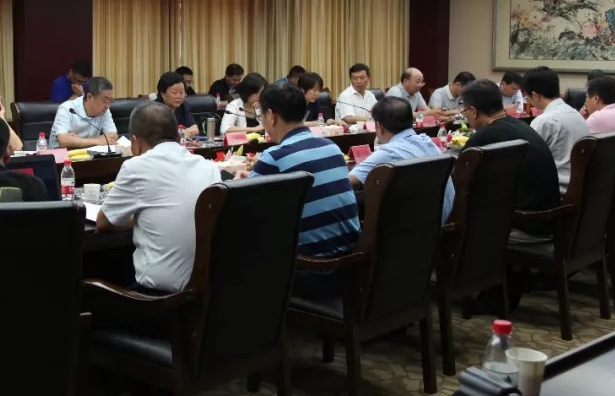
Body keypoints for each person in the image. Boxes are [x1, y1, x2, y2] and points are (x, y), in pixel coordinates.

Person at [246, 84, 360, 296]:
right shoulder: (332, 147)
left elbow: (241, 207)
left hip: (311, 270)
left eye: (261, 115)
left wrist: (239, 182)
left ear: (271, 115)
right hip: (352, 264)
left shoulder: (275, 157)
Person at [95, 102, 221, 293]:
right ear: (177, 136)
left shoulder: (135, 167)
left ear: (135, 141)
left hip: (159, 297)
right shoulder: (208, 166)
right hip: (207, 289)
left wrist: (138, 219)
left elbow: (104, 222)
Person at [460, 80, 560, 212]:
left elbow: (459, 174)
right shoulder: (520, 124)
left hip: (526, 214)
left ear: (473, 111)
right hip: (550, 208)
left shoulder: (485, 135)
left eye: (464, 111)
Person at [349, 97, 455, 222]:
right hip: (442, 224)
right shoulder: (428, 143)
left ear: (379, 126)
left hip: (410, 228)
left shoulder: (389, 152)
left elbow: (348, 181)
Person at [521, 66, 589, 196]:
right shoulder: (576, 114)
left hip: (556, 190)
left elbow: (527, 160)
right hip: (580, 187)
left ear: (535, 95)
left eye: (527, 96)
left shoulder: (544, 121)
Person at [49, 76, 119, 149]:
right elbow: (63, 141)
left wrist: (76, 141)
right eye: (105, 100)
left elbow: (113, 135)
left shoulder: (104, 110)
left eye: (110, 100)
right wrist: (97, 140)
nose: (108, 106)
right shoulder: (67, 109)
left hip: (90, 154)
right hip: (63, 155)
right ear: (89, 97)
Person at [155, 71, 199, 137]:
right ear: (162, 93)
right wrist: (183, 133)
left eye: (181, 92)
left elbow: (195, 130)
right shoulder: (153, 110)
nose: (178, 96)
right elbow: (158, 135)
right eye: (174, 92)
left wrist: (179, 134)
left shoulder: (184, 106)